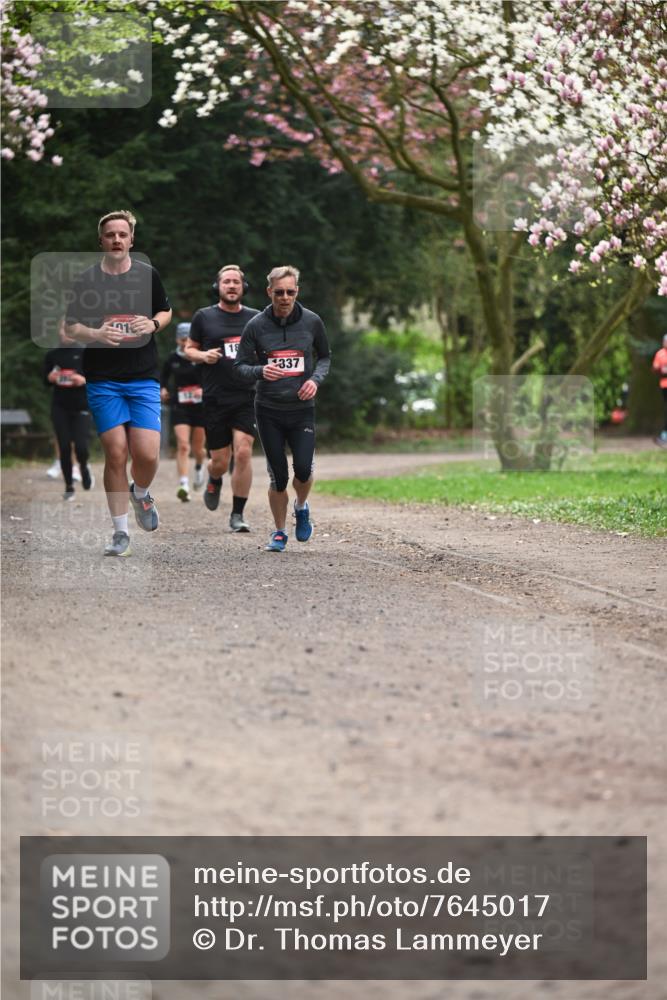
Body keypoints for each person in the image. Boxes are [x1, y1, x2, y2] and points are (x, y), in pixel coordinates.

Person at [64, 209, 172, 556]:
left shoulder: (147, 275)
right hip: (103, 378)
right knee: (116, 452)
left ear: (131, 240)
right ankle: (120, 533)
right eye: (110, 234)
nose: (116, 240)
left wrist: (152, 325)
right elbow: (71, 327)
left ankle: (140, 492)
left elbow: (165, 311)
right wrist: (95, 332)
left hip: (142, 376)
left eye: (122, 234)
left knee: (147, 455)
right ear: (101, 240)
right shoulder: (87, 281)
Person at [234, 265, 331, 552]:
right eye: (279, 293)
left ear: (297, 292)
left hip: (302, 408)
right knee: (278, 475)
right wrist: (261, 371)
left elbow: (324, 357)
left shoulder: (312, 322)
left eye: (290, 292)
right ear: (269, 293)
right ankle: (278, 532)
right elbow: (239, 367)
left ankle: (301, 507)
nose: (285, 297)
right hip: (268, 409)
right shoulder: (256, 326)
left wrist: (315, 380)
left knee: (303, 469)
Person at [184, 265, 259, 532]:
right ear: (218, 286)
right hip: (215, 396)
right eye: (226, 281)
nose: (231, 286)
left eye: (236, 282)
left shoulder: (256, 318)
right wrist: (203, 356)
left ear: (243, 287)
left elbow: (266, 350)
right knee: (219, 460)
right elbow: (189, 349)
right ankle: (214, 479)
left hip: (247, 395)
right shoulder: (204, 317)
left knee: (243, 452)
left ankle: (237, 514)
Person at [43, 338, 94, 500]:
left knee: (81, 447)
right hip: (60, 407)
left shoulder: (86, 353)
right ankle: (69, 486)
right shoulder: (52, 355)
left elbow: (98, 378)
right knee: (64, 447)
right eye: (63, 329)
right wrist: (50, 378)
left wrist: (83, 380)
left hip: (81, 407)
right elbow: (44, 380)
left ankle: (84, 467)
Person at [160, 322, 206, 501]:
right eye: (181, 338)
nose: (184, 342)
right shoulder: (172, 358)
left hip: (201, 407)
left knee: (198, 448)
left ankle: (199, 467)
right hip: (180, 406)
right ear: (177, 339)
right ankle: (184, 484)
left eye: (187, 338)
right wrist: (162, 388)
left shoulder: (202, 356)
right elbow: (163, 378)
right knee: (183, 445)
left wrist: (206, 390)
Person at [652, 333, 667, 447]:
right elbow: (655, 369)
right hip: (665, 385)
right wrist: (661, 370)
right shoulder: (660, 354)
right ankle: (664, 435)